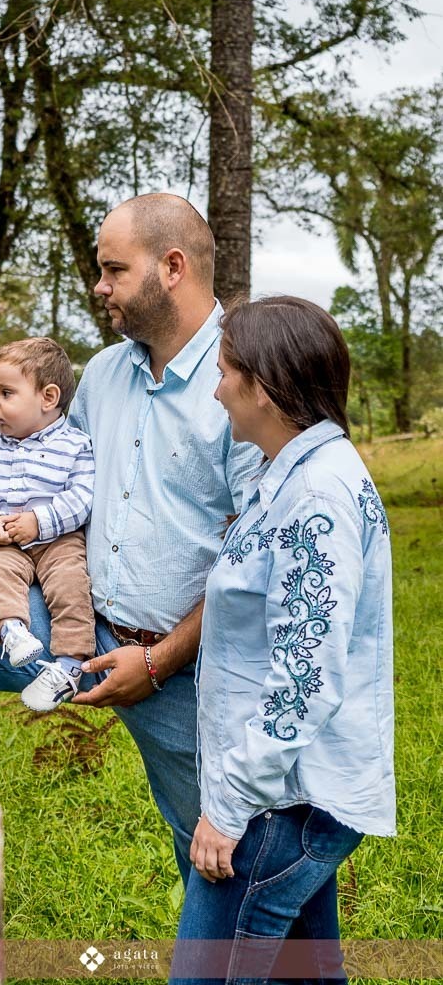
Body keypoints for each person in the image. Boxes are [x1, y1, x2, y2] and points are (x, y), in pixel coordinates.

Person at [0, 192, 259, 878]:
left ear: (170, 267)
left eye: (113, 269)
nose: (99, 285)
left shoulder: (244, 377)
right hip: (75, 619)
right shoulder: (104, 374)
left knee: (221, 857)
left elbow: (258, 559)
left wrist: (160, 661)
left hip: (186, 664)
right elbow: (54, 483)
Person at [170, 296, 395, 985]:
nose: (215, 390)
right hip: (284, 793)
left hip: (282, 803)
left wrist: (230, 806)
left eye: (223, 373)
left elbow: (304, 675)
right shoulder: (290, 476)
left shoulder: (316, 498)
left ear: (261, 388)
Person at [0, 337, 95, 712]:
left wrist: (40, 521)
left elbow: (83, 496)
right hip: (7, 544)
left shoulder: (75, 445)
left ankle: (69, 666)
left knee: (71, 587)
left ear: (48, 397)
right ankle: (11, 632)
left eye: (6, 393)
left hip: (58, 540)